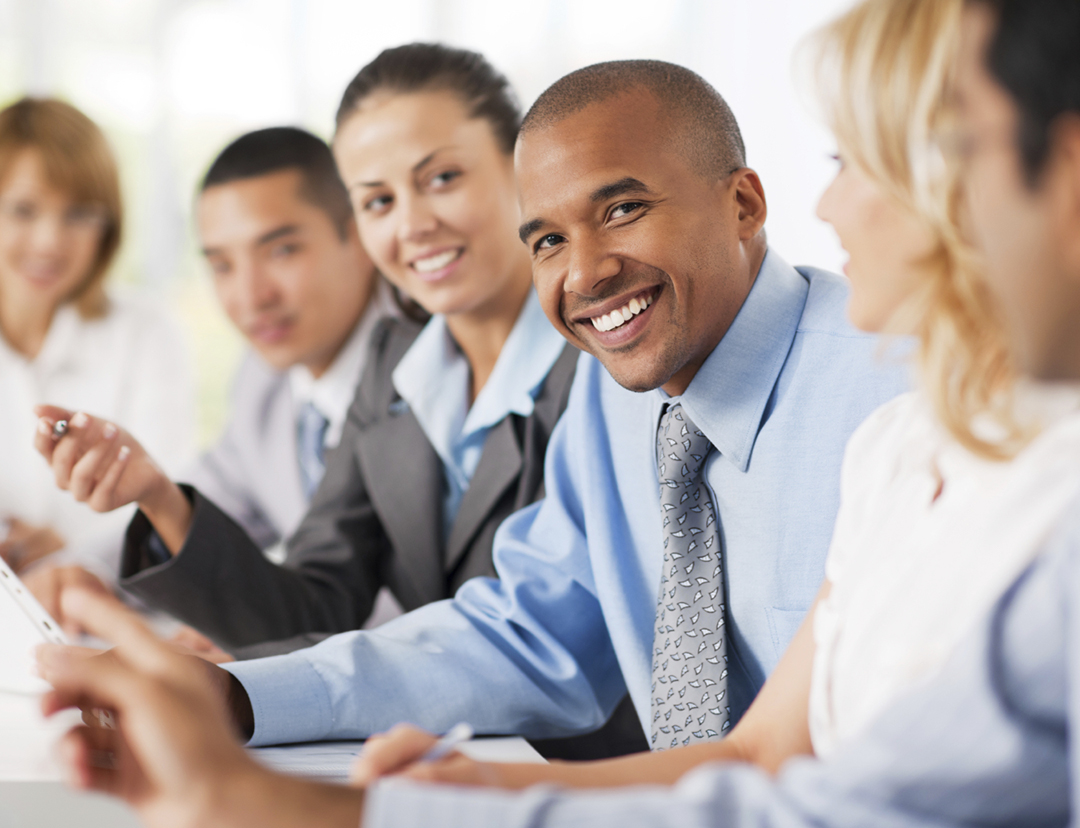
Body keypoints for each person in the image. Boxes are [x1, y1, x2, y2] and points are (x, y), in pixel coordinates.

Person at [34, 0, 1080, 826]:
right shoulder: (646, 398)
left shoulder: (899, 387)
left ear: (745, 204)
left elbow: (824, 793)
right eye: (546, 238)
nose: (584, 271)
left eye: (622, 208)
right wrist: (249, 703)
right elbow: (533, 628)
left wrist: (335, 812)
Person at [353, 0, 1080, 789]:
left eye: (863, 162)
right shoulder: (896, 447)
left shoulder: (906, 400)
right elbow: (753, 753)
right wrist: (474, 790)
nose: (828, 206)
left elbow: (860, 804)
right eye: (550, 239)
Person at [35, 45, 645, 759]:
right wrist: (157, 496)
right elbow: (320, 601)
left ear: (522, 171)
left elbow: (540, 639)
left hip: (594, 775)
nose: (413, 224)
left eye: (442, 178)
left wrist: (240, 683)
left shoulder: (610, 362)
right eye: (380, 200)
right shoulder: (397, 368)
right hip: (437, 762)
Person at [30, 126, 402, 639]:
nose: (251, 296)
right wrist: (80, 572)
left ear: (360, 237)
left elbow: (407, 598)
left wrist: (256, 646)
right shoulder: (265, 382)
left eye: (281, 251)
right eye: (222, 265)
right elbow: (207, 496)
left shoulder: (426, 368)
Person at [0, 97, 193, 588]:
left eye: (78, 214)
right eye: (23, 210)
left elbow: (167, 503)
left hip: (100, 612)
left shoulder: (146, 332)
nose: (48, 241)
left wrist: (74, 552)